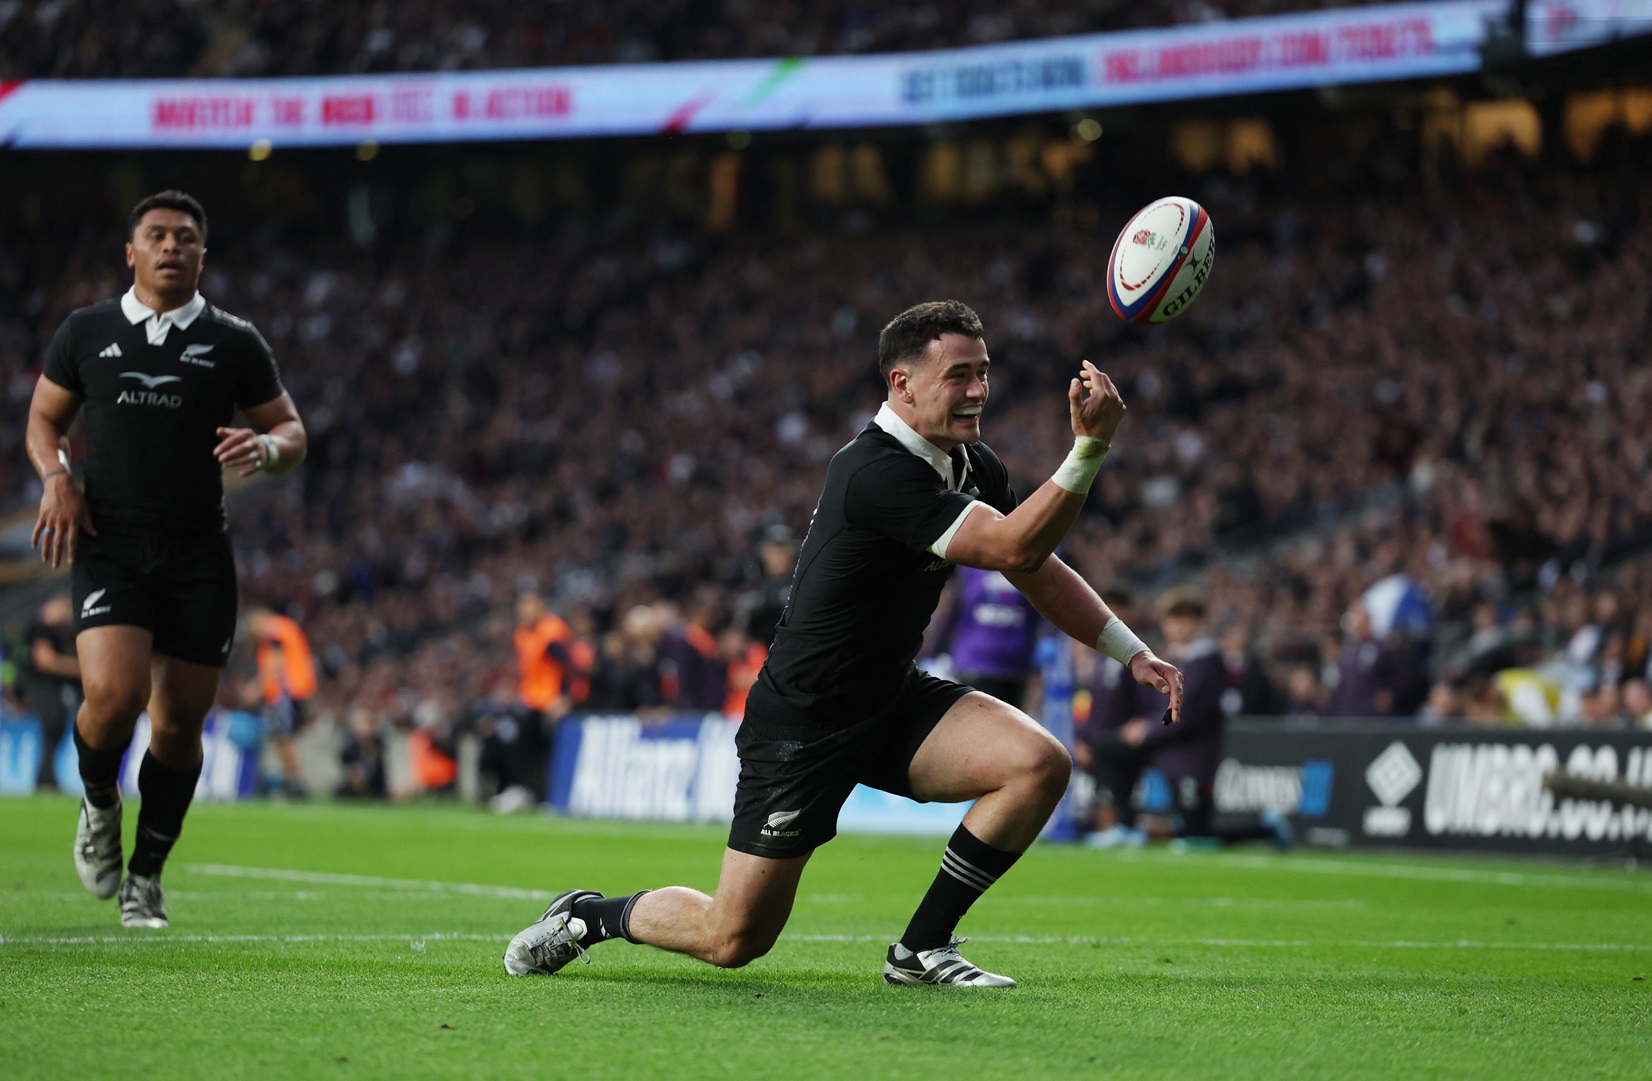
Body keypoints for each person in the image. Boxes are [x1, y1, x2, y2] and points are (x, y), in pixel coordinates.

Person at [503, 299, 1182, 987]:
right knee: (733, 937)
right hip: (805, 718)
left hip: (889, 695)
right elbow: (1014, 542)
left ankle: (920, 949)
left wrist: (1132, 650)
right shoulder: (872, 471)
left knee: (1038, 762)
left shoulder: (973, 465)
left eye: (984, 371)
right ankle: (590, 915)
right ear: (903, 383)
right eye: (958, 374)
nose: (978, 389)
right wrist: (1089, 448)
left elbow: (1032, 568)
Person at [26, 190, 306, 928]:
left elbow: (290, 430)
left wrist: (268, 447)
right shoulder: (85, 331)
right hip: (111, 544)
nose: (171, 246)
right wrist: (57, 476)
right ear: (132, 251)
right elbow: (44, 418)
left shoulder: (233, 340)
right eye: (157, 235)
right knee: (114, 699)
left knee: (179, 724)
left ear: (202, 254)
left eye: (186, 237)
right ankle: (98, 801)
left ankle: (145, 876)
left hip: (197, 552)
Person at [936, 565, 1044, 710]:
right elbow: (953, 607)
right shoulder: (969, 563)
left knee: (1009, 727)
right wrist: (935, 651)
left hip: (1016, 669)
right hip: (975, 666)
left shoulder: (1029, 560)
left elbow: (1039, 612)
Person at [245, 605, 317, 795]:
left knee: (283, 737)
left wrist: (256, 687)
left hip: (285, 691)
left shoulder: (274, 630)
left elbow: (276, 663)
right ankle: (291, 780)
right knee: (282, 738)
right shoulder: (287, 628)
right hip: (294, 689)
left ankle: (294, 783)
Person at [17, 594, 82, 789]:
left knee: (55, 726)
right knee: (53, 722)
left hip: (52, 686)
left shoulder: (61, 632)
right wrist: (82, 669)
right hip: (39, 684)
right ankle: (45, 779)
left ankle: (46, 777)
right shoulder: (41, 628)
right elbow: (46, 660)